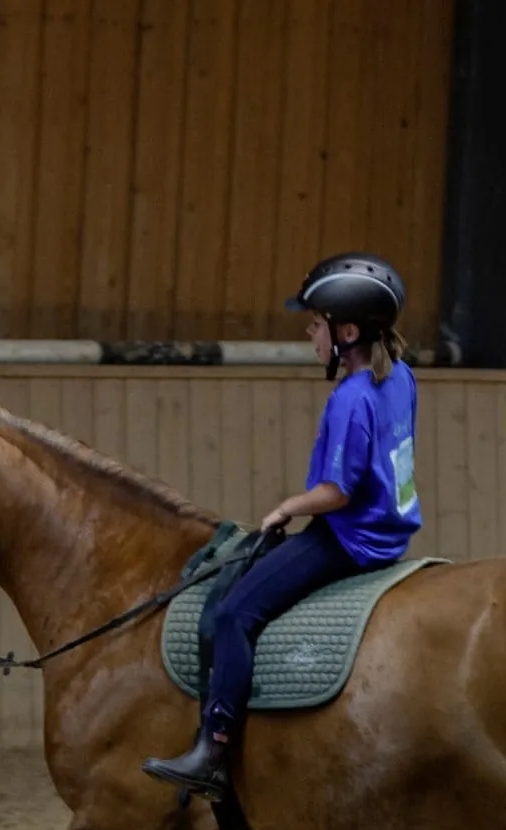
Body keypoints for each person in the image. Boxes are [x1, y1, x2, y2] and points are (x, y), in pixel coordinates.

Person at [145, 253, 422, 799]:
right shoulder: (401, 378)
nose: (309, 333)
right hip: (391, 530)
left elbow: (336, 492)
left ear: (347, 332)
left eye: (316, 325)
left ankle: (213, 745)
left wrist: (286, 507)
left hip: (350, 538)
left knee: (233, 614)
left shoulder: (351, 398)